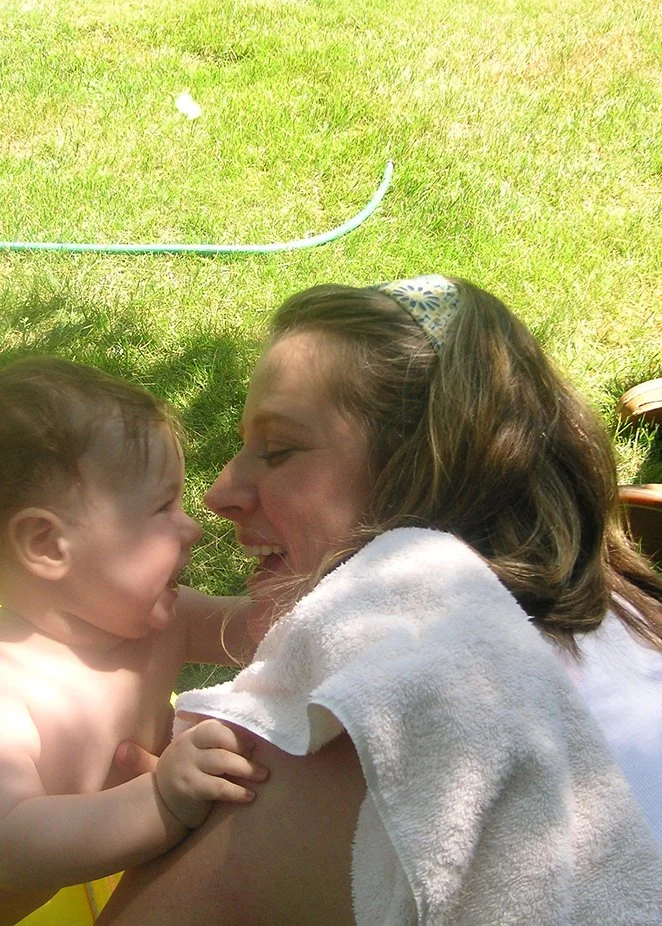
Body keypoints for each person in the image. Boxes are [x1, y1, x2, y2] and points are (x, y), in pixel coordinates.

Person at [100, 275, 662, 925]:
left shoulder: (377, 712)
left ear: (426, 476)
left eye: (277, 451)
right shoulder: (626, 618)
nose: (220, 491)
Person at [0, 357, 269, 926]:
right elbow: (13, 841)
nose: (192, 526)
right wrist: (160, 802)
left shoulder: (163, 620)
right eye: (162, 507)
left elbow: (261, 633)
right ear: (48, 546)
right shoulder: (12, 683)